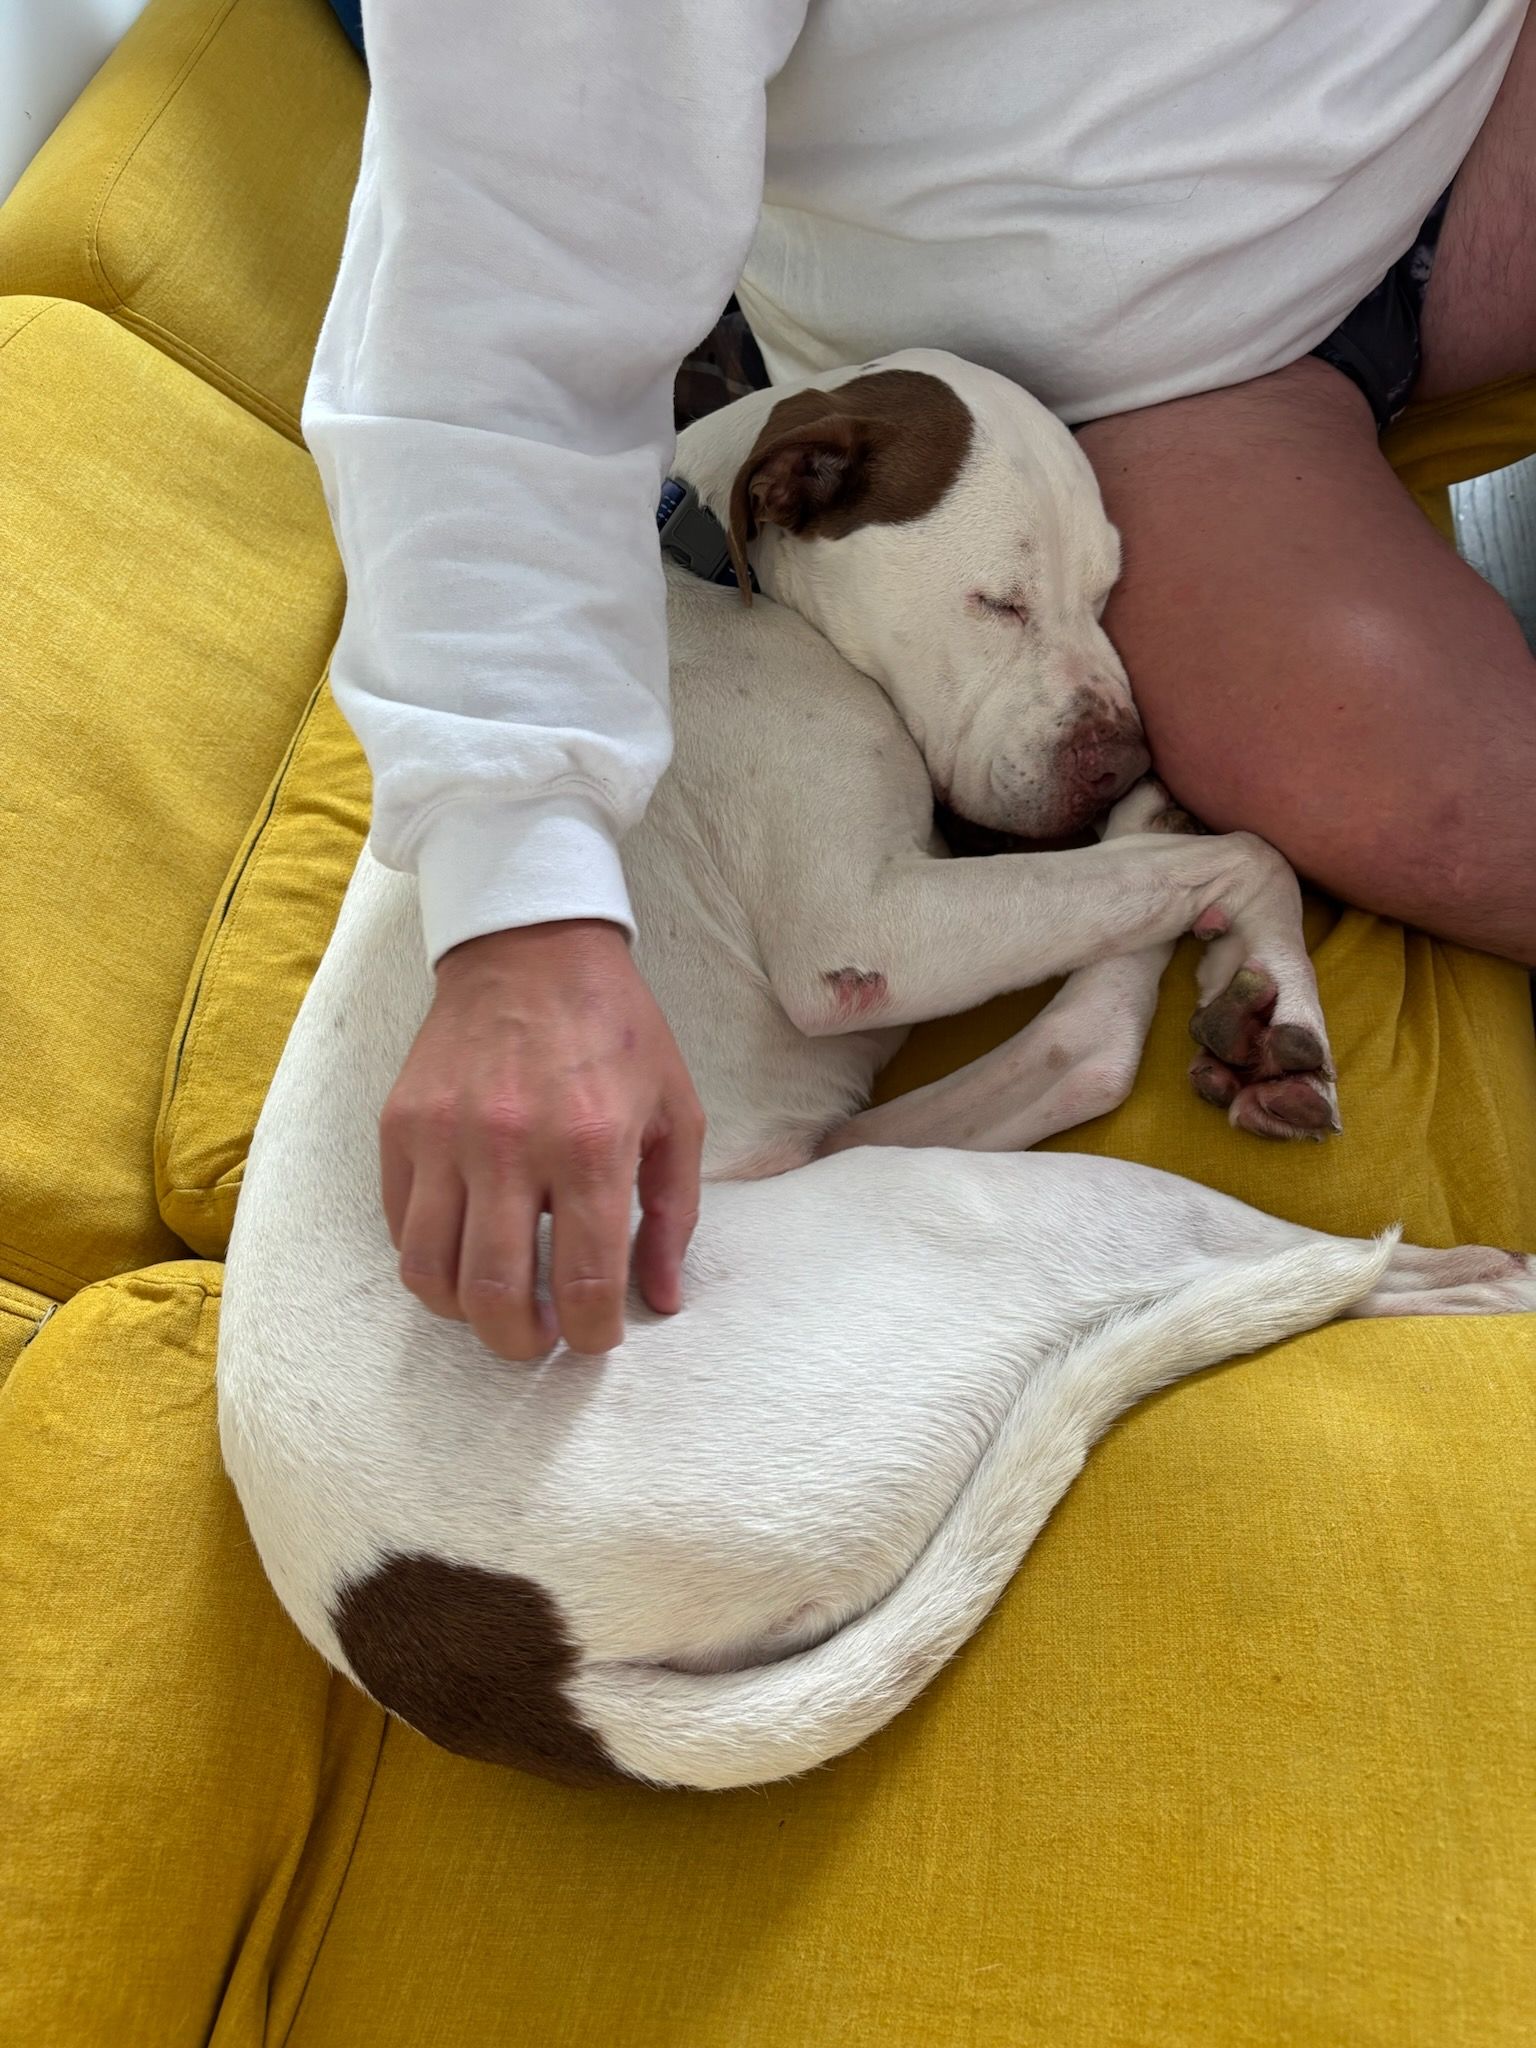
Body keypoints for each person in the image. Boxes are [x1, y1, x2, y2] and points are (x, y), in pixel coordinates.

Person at [304, 0, 1536, 1366]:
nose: (1113, 723)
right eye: (1005, 608)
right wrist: (521, 916)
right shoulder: (787, 620)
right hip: (1172, 370)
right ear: (790, 499)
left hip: (1466, 99)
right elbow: (487, 298)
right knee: (1452, 806)